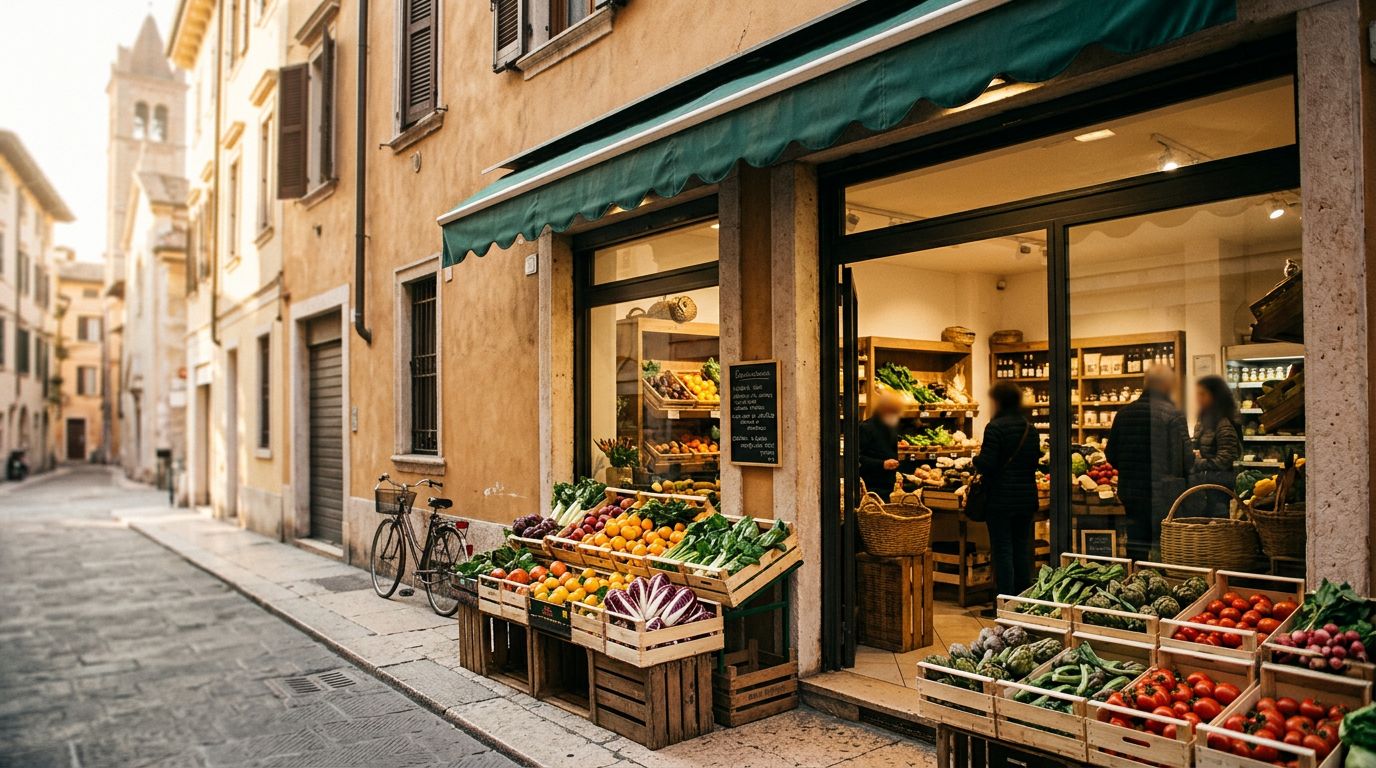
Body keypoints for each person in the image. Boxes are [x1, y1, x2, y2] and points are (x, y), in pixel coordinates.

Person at [1106, 365, 1192, 561]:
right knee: (1165, 544)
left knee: (1136, 542)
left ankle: (1135, 579)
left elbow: (1111, 454)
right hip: (1164, 492)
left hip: (1132, 491)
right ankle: (1165, 581)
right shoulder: (1174, 414)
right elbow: (1185, 459)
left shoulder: (1124, 414)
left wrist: (1131, 470)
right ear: (1165, 385)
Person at [972, 382, 1039, 600]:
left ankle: (1004, 601)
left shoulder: (995, 427)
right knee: (1022, 549)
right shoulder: (1030, 428)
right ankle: (1022, 600)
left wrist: (975, 460)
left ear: (998, 401)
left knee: (1002, 550)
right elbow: (1034, 462)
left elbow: (988, 464)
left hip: (1001, 499)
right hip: (1026, 498)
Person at [1190, 375, 1242, 518]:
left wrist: (1199, 462)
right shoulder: (1205, 418)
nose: (1197, 398)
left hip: (1219, 489)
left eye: (1202, 394)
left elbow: (1226, 458)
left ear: (1214, 396)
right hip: (1207, 487)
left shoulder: (1223, 422)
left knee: (1218, 526)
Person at [858, 391, 905, 500]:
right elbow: (858, 459)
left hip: (890, 486)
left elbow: (892, 453)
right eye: (893, 411)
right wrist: (882, 464)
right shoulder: (865, 428)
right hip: (871, 488)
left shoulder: (890, 427)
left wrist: (897, 477)